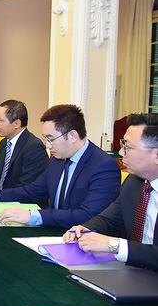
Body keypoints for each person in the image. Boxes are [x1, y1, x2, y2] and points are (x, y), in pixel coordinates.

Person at [0, 104, 120, 227]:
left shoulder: (104, 166)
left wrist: (32, 215)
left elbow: (87, 215)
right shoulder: (57, 161)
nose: (47, 146)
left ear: (72, 136)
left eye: (51, 139)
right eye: (45, 138)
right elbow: (32, 192)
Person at [64, 113, 158, 271]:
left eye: (127, 147)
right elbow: (111, 219)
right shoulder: (133, 183)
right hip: (134, 272)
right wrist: (84, 228)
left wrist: (114, 245)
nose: (121, 153)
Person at [0, 100, 48, 190]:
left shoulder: (34, 147)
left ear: (17, 123)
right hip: (0, 200)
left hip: (18, 202)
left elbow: (26, 188)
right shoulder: (3, 143)